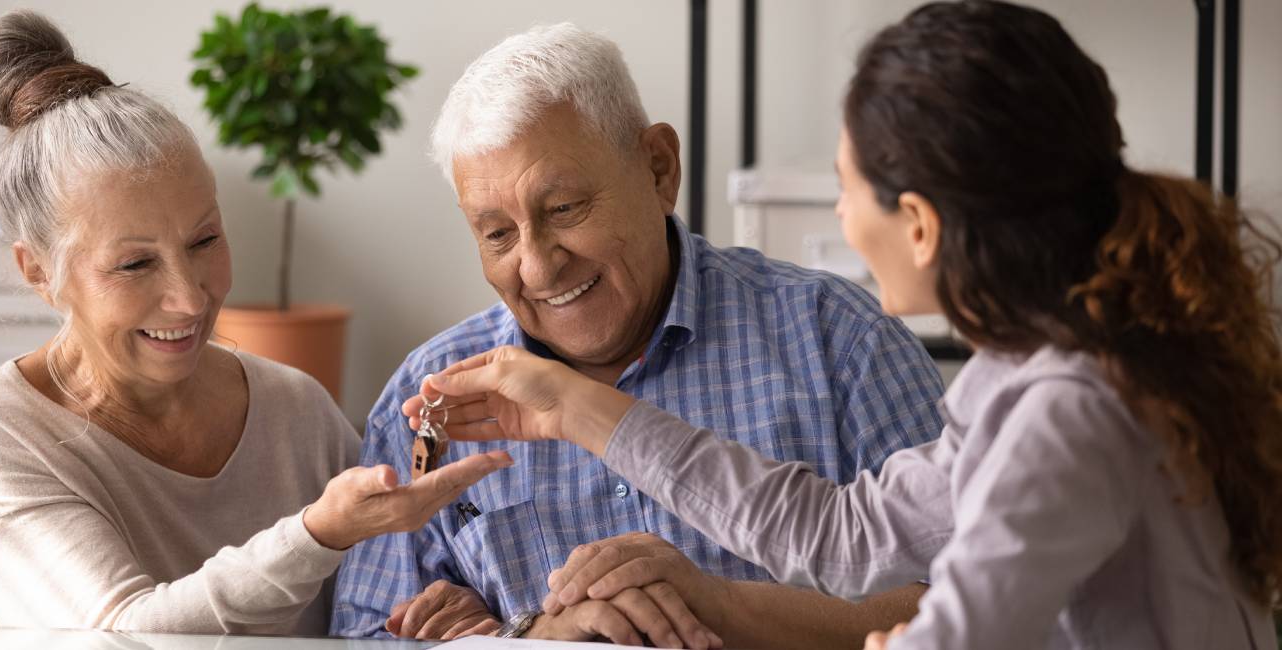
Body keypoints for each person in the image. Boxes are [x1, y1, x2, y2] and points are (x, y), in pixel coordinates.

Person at [405, 2, 1282, 648]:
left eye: (843, 183)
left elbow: (963, 630)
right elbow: (838, 534)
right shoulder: (1019, 381)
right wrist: (572, 408)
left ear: (920, 224)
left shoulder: (1068, 409)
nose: (836, 211)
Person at [329, 22, 945, 648]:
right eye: (497, 234)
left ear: (659, 169)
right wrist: (530, 638)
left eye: (564, 209)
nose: (538, 267)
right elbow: (365, 634)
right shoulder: (429, 397)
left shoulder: (838, 340)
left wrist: (723, 606)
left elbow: (977, 610)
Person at [0, 10, 509, 635]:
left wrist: (453, 604)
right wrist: (320, 532)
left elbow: (381, 603)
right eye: (134, 264)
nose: (188, 298)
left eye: (205, 239)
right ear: (39, 271)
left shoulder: (298, 412)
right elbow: (128, 633)